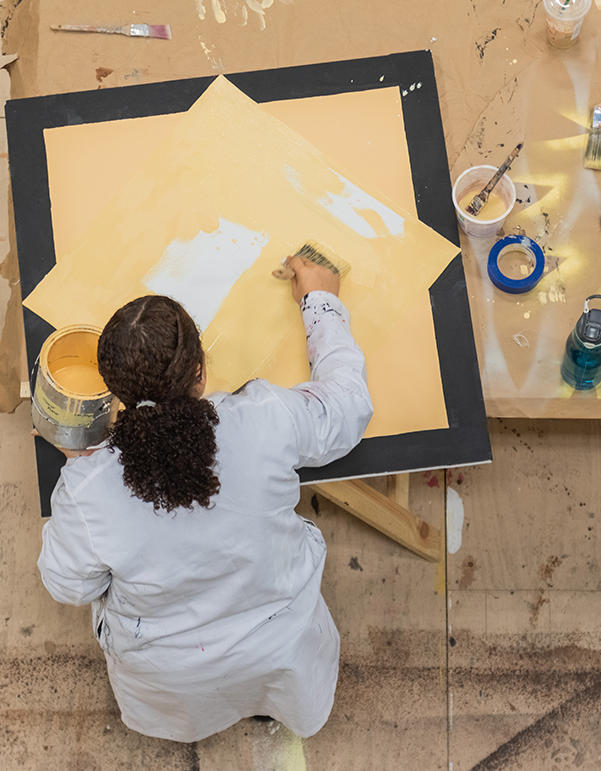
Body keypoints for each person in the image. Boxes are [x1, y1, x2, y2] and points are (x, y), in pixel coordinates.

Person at [37, 255, 372, 743]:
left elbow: (67, 586)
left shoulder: (88, 491)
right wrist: (321, 302)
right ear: (199, 370)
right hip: (279, 641)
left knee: (188, 703)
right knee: (283, 683)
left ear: (115, 393)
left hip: (173, 673)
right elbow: (347, 408)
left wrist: (78, 465)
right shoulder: (261, 420)